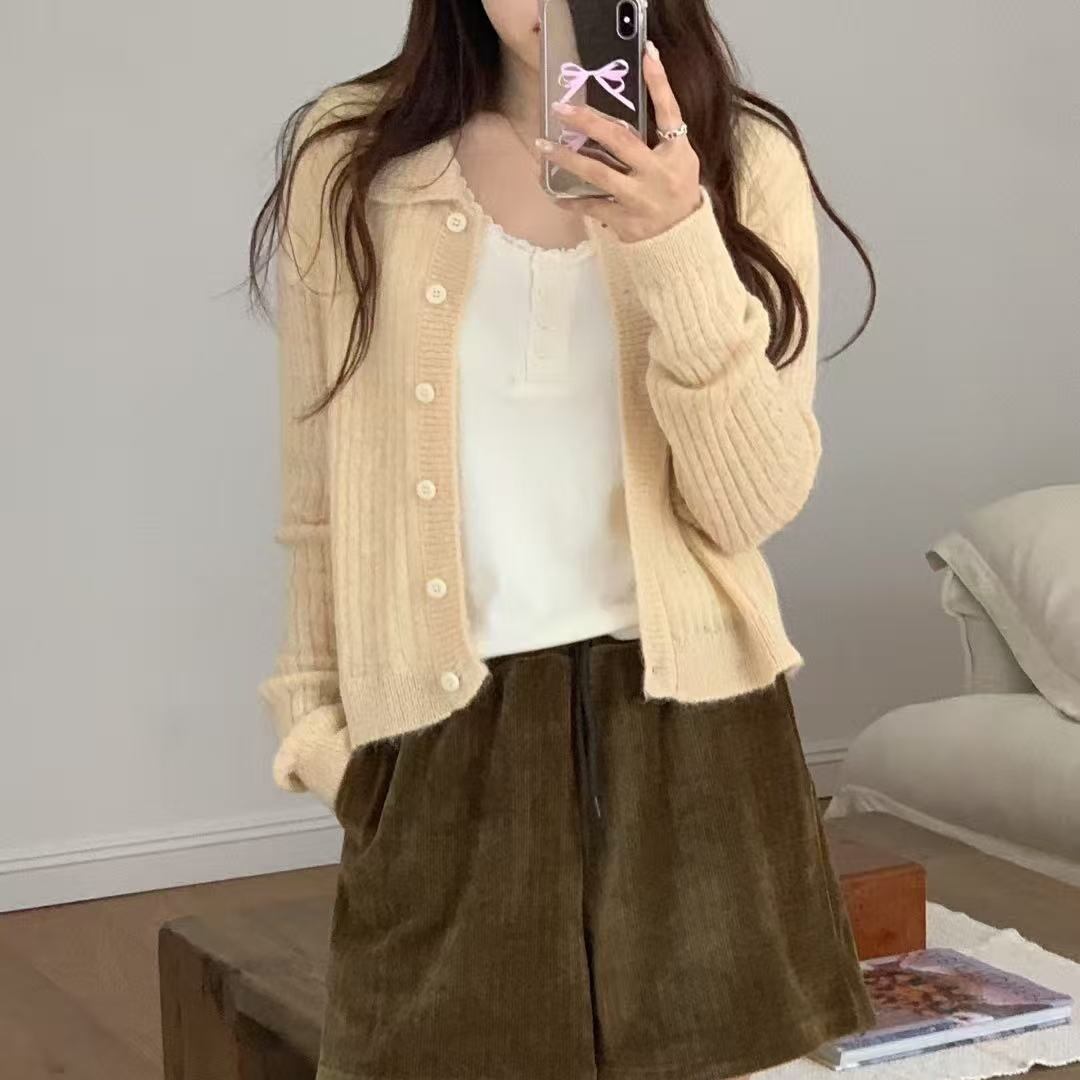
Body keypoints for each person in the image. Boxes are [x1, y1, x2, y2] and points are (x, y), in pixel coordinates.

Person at [249, 2, 879, 1077]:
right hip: (441, 727)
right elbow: (321, 484)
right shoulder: (352, 156)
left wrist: (675, 241)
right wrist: (319, 730)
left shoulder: (741, 157)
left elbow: (752, 505)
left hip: (698, 733)